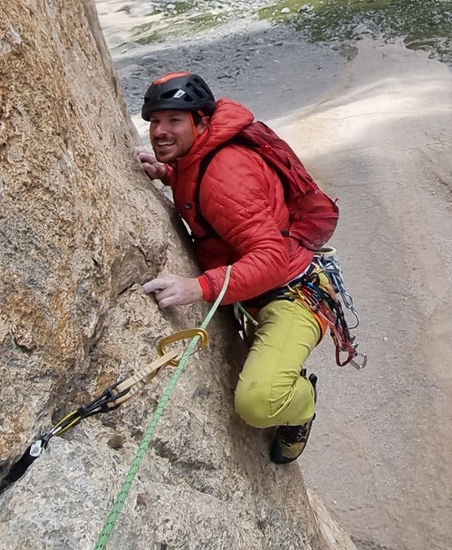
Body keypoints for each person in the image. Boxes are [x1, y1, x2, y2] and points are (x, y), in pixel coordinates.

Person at [138, 71, 325, 463]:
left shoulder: (225, 172)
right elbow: (205, 190)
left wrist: (199, 287)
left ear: (202, 121)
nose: (159, 131)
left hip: (291, 295)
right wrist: (169, 174)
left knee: (258, 402)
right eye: (155, 121)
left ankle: (303, 405)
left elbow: (271, 256)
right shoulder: (199, 154)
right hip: (259, 291)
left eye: (174, 120)